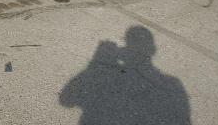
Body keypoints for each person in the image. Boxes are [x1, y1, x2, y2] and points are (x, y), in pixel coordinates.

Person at [59, 26, 191, 124]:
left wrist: (95, 64)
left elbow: (66, 100)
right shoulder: (173, 84)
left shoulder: (171, 84)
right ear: (152, 50)